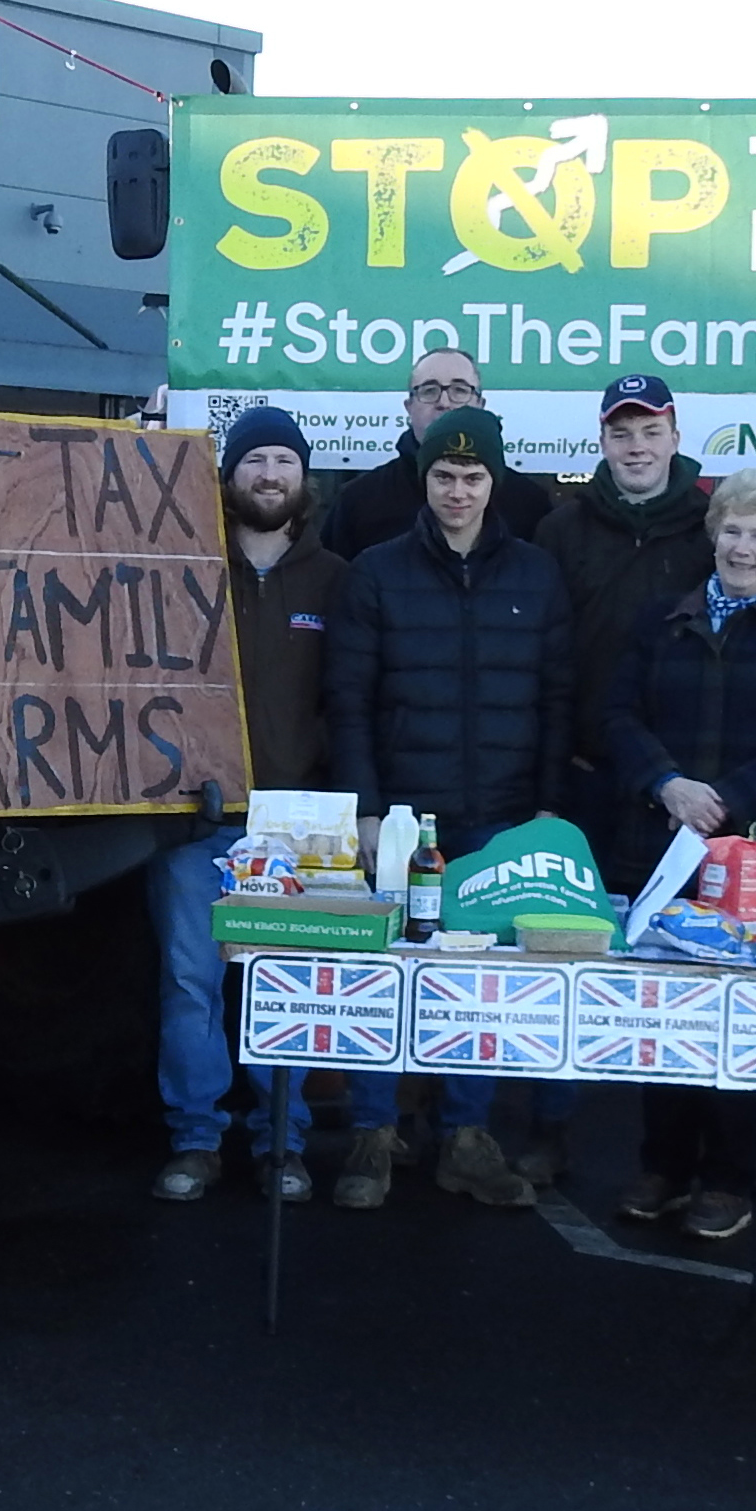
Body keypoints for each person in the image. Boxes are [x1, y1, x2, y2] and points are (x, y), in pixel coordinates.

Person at [322, 403, 573, 1208]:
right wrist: (364, 810)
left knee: (478, 985)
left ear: (494, 483)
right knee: (383, 975)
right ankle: (372, 1131)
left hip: (499, 818)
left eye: (472, 477)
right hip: (401, 816)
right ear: (422, 478)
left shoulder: (536, 573)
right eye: (442, 476)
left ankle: (466, 1134)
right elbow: (348, 701)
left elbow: (557, 701)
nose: (457, 492)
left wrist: (548, 810)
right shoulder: (376, 571)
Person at [596, 467, 756, 1241]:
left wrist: (726, 797)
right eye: (733, 531)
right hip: (660, 844)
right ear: (715, 536)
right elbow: (614, 715)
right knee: (666, 1013)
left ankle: (731, 1176)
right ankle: (663, 1164)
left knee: (743, 1018)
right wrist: (667, 784)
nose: (744, 548)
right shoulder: (661, 617)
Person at [149, 404, 350, 1203]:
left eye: (285, 461)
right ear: (228, 476)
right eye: (255, 460)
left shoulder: (338, 581)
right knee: (190, 985)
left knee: (281, 990)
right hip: (193, 822)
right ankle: (196, 1139)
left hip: (297, 827)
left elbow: (353, 701)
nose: (270, 474)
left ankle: (283, 1145)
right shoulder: (182, 571)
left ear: (305, 478)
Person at [521, 373, 716, 1188]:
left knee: (678, 974)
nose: (636, 447)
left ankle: (666, 1158)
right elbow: (544, 658)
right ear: (601, 440)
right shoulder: (564, 530)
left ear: (674, 434)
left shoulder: (712, 528)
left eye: (650, 431)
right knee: (560, 959)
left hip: (681, 791)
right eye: (621, 433)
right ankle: (548, 1130)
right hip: (582, 777)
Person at [322, 349, 556, 560]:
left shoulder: (528, 503)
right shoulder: (359, 501)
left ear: (480, 403)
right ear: (409, 406)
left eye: (460, 390)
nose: (444, 402)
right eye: (429, 390)